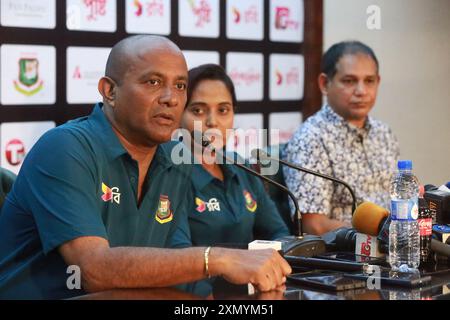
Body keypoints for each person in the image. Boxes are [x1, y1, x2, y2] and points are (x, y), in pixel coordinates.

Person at [0, 35, 291, 299]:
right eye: (153, 82)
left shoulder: (175, 157)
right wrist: (217, 258)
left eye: (179, 86)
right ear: (109, 91)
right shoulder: (64, 148)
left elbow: (174, 258)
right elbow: (93, 271)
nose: (171, 98)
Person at [283, 40, 400, 235]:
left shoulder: (384, 132)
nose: (361, 91)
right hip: (347, 256)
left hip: (394, 248)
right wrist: (380, 232)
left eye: (369, 81)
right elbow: (313, 226)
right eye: (349, 81)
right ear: (324, 84)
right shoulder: (311, 138)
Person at [170, 63, 289, 249]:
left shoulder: (241, 167)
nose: (212, 122)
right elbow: (179, 257)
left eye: (223, 110)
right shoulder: (170, 174)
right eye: (198, 111)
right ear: (179, 116)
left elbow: (278, 233)